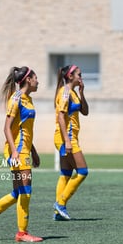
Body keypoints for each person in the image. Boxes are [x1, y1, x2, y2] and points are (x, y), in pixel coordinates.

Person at [0, 66, 43, 242]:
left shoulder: (28, 99)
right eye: (35, 77)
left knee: (17, 193)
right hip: (17, 151)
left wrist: (33, 151)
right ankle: (22, 233)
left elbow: (24, 130)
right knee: (25, 191)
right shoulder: (16, 98)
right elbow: (6, 128)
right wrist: (14, 151)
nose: (38, 81)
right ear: (28, 79)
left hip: (23, 149)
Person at [53, 64, 89, 221]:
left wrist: (82, 93)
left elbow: (85, 111)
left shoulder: (73, 92)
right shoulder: (65, 92)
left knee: (66, 174)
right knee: (82, 171)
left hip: (70, 137)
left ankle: (58, 213)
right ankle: (60, 204)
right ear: (70, 76)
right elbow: (61, 117)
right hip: (66, 138)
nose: (81, 77)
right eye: (79, 74)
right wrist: (67, 141)